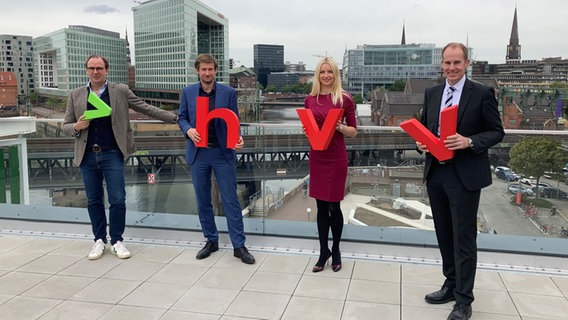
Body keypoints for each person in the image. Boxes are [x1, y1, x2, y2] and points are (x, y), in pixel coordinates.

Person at [416, 43, 504, 320]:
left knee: (464, 238)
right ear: (441, 65)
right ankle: (451, 285)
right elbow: (428, 128)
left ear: (467, 63)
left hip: (464, 174)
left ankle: (464, 301)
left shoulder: (481, 93)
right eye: (447, 63)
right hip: (437, 173)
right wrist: (421, 143)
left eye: (456, 63)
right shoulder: (432, 93)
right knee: (444, 234)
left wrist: (469, 141)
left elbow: (496, 132)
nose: (451, 68)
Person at [64, 54, 177, 260]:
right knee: (94, 200)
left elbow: (145, 107)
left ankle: (117, 240)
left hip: (112, 153)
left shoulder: (120, 91)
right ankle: (99, 240)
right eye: (92, 68)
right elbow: (66, 126)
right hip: (87, 155)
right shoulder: (76, 94)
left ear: (106, 70)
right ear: (86, 71)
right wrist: (76, 127)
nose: (95, 72)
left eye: (99, 68)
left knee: (117, 199)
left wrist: (175, 117)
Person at [177, 53, 255, 264]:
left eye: (211, 69)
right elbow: (181, 117)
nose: (207, 72)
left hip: (222, 153)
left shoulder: (228, 92)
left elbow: (234, 119)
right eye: (204, 69)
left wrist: (238, 138)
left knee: (230, 200)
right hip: (199, 153)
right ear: (197, 71)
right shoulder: (188, 92)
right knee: (203, 201)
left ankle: (239, 246)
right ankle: (211, 240)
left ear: (215, 70)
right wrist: (189, 130)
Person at [304, 57, 357, 273]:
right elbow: (310, 127)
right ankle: (322, 251)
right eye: (322, 72)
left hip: (335, 158)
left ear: (336, 75)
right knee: (321, 207)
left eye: (330, 72)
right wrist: (307, 130)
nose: (326, 75)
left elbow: (353, 131)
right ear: (317, 75)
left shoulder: (345, 99)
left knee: (334, 206)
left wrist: (340, 127)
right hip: (318, 157)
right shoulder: (310, 99)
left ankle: (335, 250)